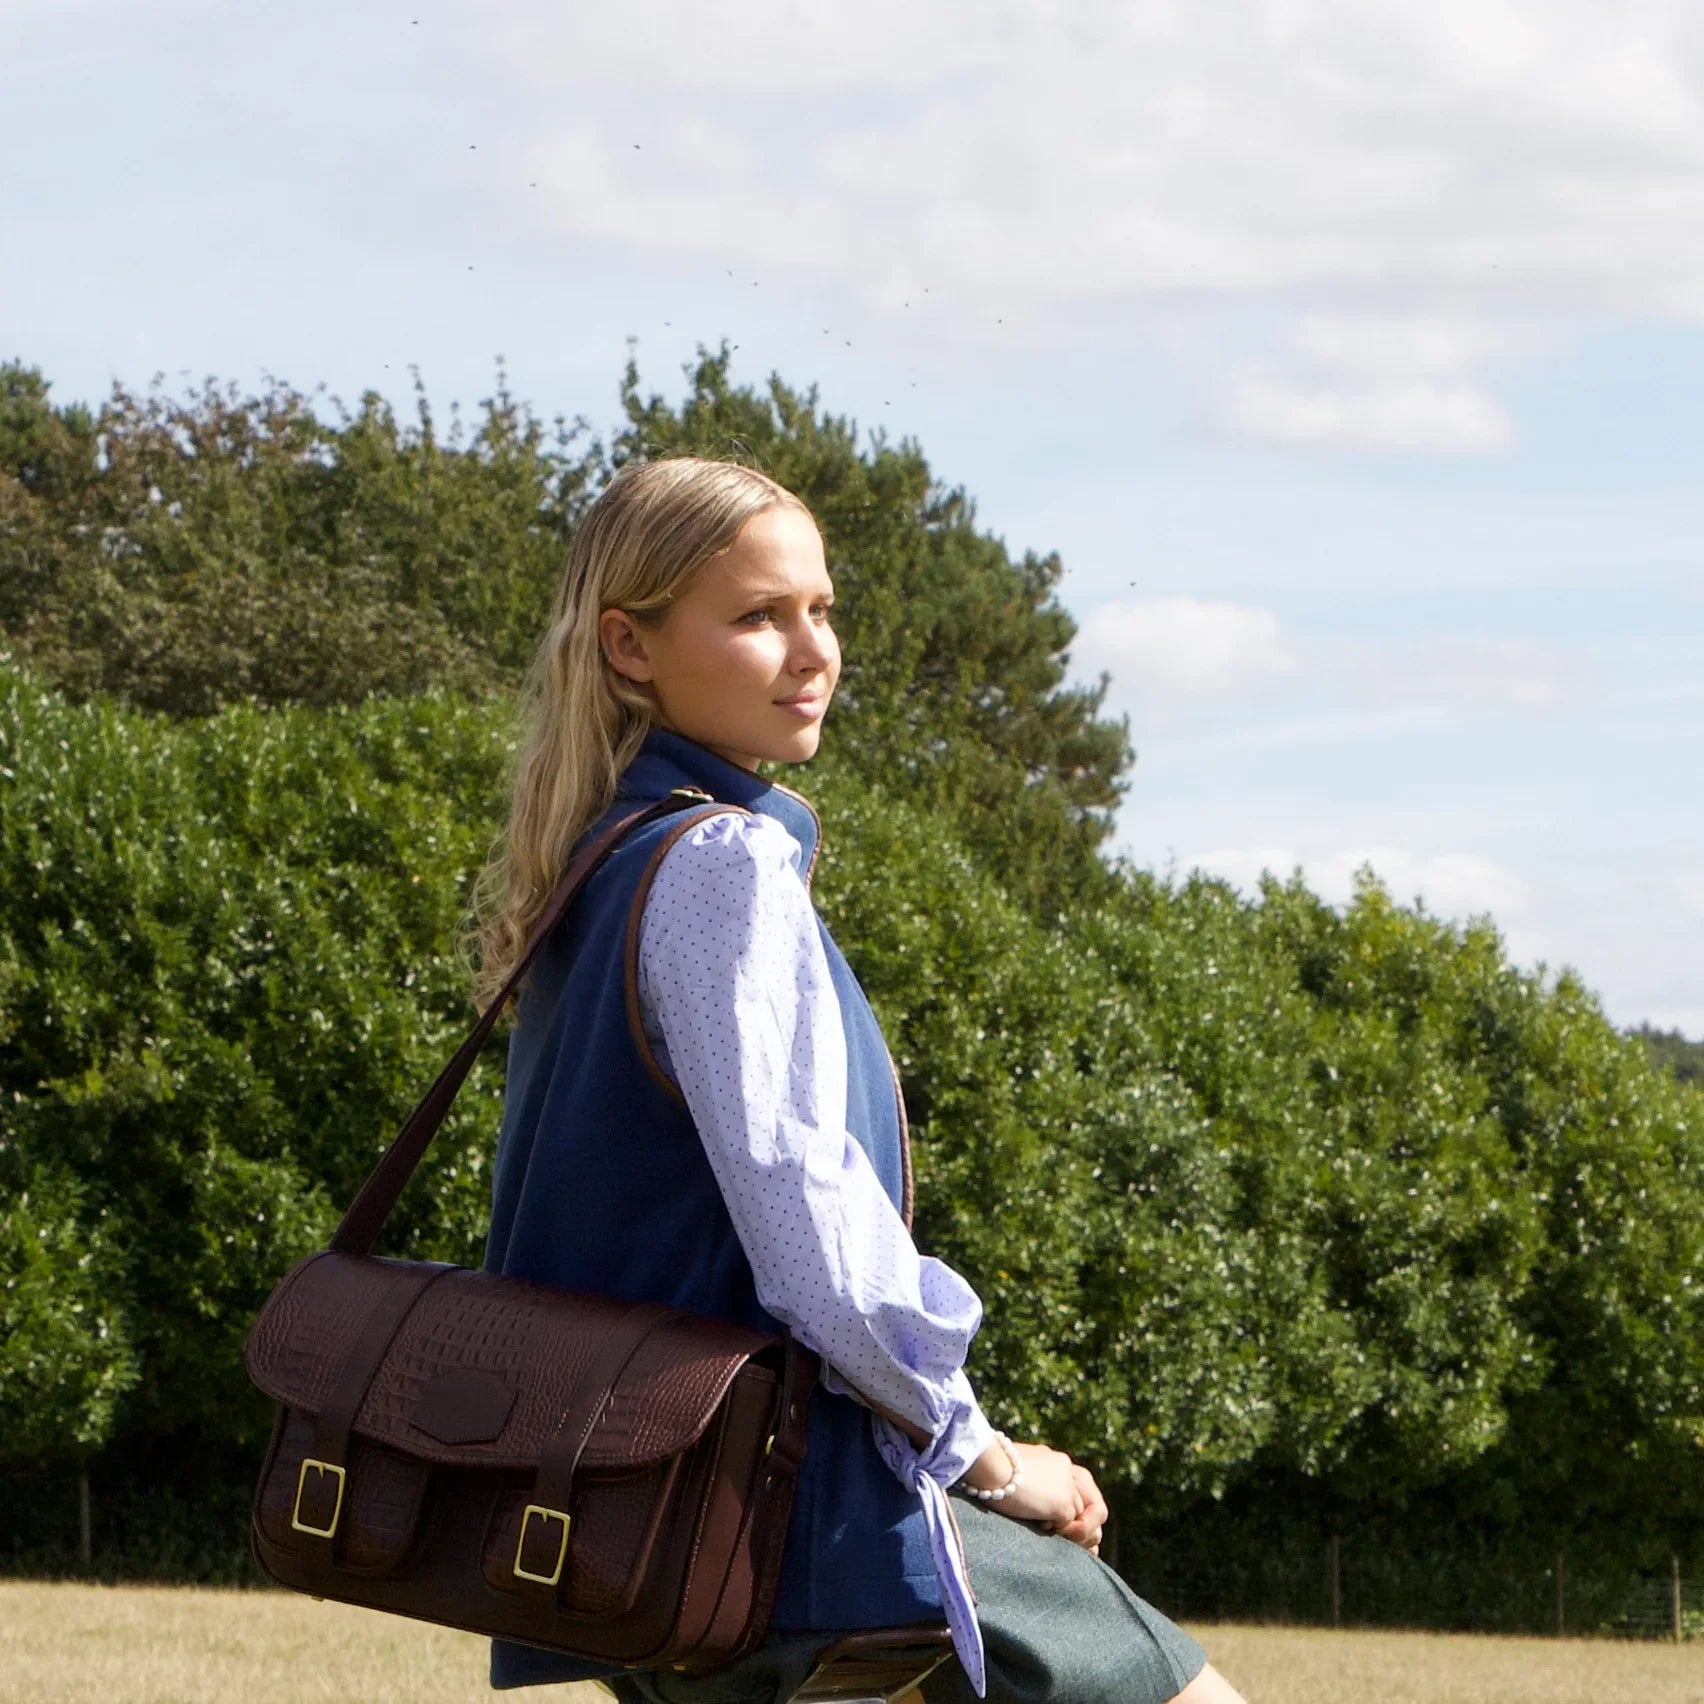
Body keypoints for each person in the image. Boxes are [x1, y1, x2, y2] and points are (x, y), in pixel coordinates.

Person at [466, 455, 1249, 1704]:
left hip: (649, 1549)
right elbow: (808, 1223)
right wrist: (988, 1460)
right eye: (758, 616)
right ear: (630, 646)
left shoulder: (595, 861)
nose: (812, 651)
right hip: (805, 1541)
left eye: (821, 610)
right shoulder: (722, 863)